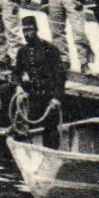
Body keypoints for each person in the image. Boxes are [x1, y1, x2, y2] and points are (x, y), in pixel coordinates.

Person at [11, 16, 66, 149]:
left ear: (36, 30)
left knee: (51, 131)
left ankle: (51, 153)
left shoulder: (49, 49)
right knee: (27, 128)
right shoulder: (22, 52)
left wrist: (56, 98)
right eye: (25, 31)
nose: (27, 34)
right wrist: (19, 87)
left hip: (49, 97)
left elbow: (61, 76)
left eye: (30, 30)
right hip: (33, 96)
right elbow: (15, 73)